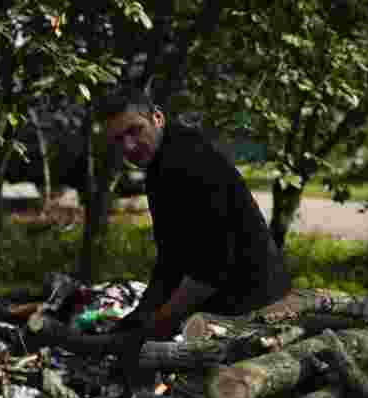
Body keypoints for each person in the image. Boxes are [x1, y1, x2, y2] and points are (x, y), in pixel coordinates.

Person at [101, 87, 292, 341]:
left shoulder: (188, 161)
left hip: (254, 311)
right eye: (118, 139)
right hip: (224, 301)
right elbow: (171, 259)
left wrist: (158, 322)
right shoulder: (161, 164)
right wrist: (141, 315)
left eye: (135, 130)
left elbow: (209, 269)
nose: (129, 146)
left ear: (157, 117)